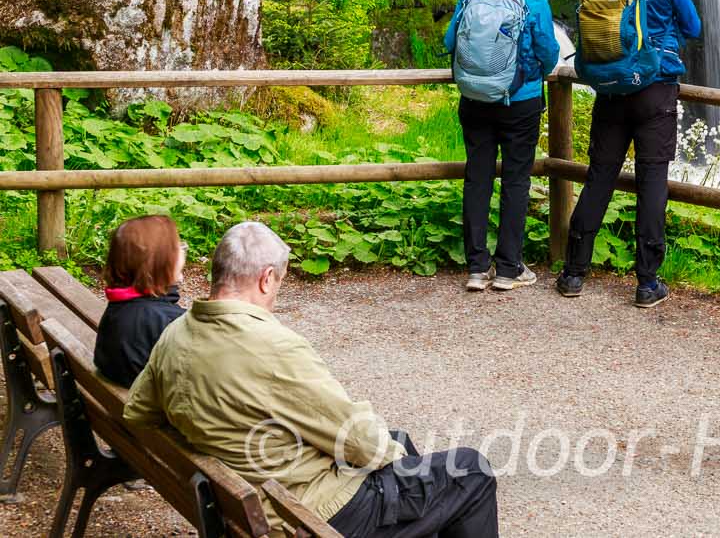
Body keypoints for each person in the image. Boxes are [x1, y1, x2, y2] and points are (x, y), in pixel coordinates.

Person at [125, 221, 498, 538]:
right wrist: (389, 459)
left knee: (400, 445)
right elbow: (362, 441)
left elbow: (139, 412)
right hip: (308, 516)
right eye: (279, 281)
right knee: (470, 470)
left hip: (249, 499)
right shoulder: (272, 347)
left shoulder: (175, 334)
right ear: (266, 279)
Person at [558, 0, 701, 308]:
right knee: (652, 180)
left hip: (611, 90)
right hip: (656, 90)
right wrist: (664, 39)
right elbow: (693, 27)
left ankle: (573, 273)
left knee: (599, 177)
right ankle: (647, 282)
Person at [444, 0, 560, 294]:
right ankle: (509, 268)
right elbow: (549, 52)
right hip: (520, 102)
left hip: (475, 100)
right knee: (516, 181)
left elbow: (449, 40)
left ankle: (477, 268)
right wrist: (534, 72)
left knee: (477, 179)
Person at [95, 214, 185, 387]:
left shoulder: (119, 308)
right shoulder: (169, 322)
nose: (182, 252)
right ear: (160, 261)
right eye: (177, 247)